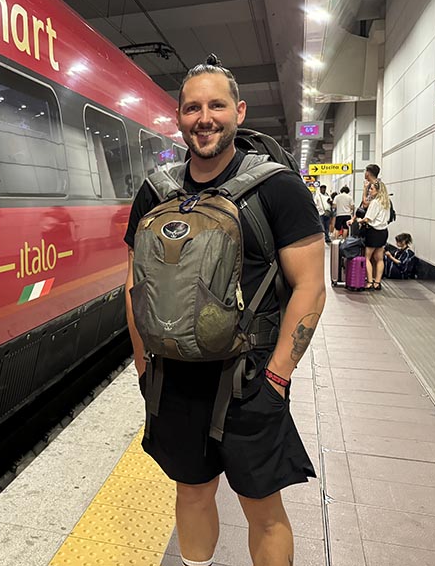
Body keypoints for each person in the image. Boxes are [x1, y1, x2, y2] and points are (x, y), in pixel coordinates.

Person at [124, 59, 326, 566]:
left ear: (238, 112)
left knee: (262, 508)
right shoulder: (156, 191)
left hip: (250, 378)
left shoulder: (277, 188)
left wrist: (279, 374)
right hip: (174, 378)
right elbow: (133, 283)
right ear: (179, 118)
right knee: (191, 492)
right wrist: (143, 364)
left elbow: (310, 286)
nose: (204, 117)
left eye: (216, 105)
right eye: (193, 107)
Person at [356, 180, 391, 290]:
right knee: (379, 258)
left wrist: (359, 220)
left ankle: (370, 282)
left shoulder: (375, 203)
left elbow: (368, 218)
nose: (370, 191)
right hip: (383, 232)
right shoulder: (386, 202)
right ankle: (378, 282)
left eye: (371, 189)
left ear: (378, 191)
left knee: (367, 257)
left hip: (373, 232)